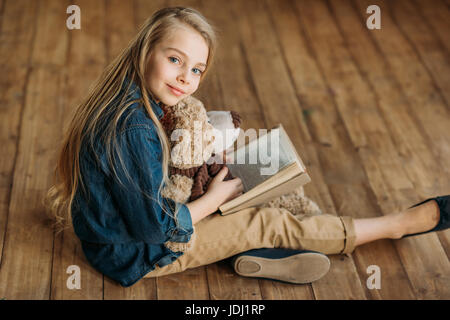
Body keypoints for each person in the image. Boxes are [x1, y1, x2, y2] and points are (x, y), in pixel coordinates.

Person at [45, 7, 450, 288]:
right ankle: (394, 226)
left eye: (196, 69)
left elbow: (154, 172)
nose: (186, 77)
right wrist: (216, 195)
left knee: (254, 174)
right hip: (134, 254)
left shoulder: (134, 101)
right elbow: (157, 227)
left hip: (133, 228)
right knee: (264, 219)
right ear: (144, 52)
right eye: (175, 59)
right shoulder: (133, 127)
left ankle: (259, 251)